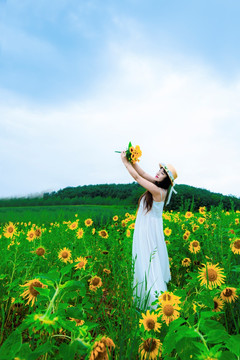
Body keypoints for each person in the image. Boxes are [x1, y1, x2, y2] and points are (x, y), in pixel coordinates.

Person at [121, 151, 178, 311]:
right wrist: (133, 160)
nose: (158, 173)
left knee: (148, 261)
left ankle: (155, 301)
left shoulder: (159, 191)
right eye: (160, 170)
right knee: (145, 260)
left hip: (148, 232)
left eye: (163, 173)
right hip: (147, 228)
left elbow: (138, 178)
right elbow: (143, 173)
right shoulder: (158, 185)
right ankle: (145, 296)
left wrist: (125, 163)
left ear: (167, 180)